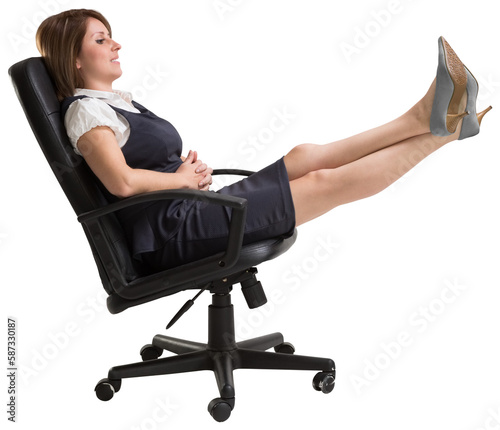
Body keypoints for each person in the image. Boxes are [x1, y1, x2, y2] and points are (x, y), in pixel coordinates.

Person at [36, 9, 491, 271]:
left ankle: (420, 117)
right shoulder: (87, 112)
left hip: (189, 211)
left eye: (111, 36)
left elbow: (143, 174)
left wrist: (186, 178)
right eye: (101, 39)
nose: (116, 45)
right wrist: (180, 179)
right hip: (171, 235)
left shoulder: (118, 103)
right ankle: (445, 131)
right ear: (74, 60)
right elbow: (122, 185)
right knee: (321, 182)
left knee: (304, 157)